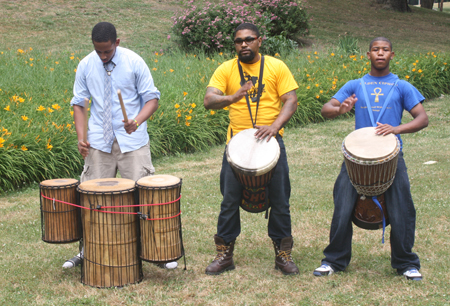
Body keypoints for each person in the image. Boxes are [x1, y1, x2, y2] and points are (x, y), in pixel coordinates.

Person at [313, 37, 428, 281]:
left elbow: (422, 119)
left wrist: (397, 129)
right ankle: (334, 260)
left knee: (402, 210)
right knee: (342, 208)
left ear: (392, 55)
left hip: (392, 157)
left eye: (385, 50)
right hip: (356, 159)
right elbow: (326, 108)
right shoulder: (355, 84)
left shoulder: (401, 86)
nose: (380, 53)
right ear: (368, 55)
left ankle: (406, 263)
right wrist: (339, 109)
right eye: (375, 49)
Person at [65, 22, 177, 269]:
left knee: (143, 197)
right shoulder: (86, 65)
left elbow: (152, 99)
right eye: (99, 52)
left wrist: (136, 121)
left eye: (107, 51)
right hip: (98, 141)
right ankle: (88, 251)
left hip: (132, 142)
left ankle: (153, 251)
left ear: (117, 42)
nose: (103, 56)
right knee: (92, 197)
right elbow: (80, 104)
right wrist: (81, 137)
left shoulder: (134, 62)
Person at [203, 23, 299, 275]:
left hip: (271, 143)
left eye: (248, 39)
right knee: (229, 202)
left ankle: (283, 254)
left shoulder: (276, 66)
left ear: (259, 40)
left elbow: (291, 100)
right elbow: (209, 100)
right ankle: (224, 256)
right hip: (236, 147)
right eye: (238, 41)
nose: (243, 44)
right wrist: (233, 97)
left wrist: (275, 126)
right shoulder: (226, 68)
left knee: (280, 202)